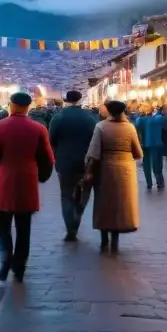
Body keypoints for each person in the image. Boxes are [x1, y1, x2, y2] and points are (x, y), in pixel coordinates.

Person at [0, 91, 55, 281]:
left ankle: (6, 257)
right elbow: (48, 158)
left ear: (11, 105)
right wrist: (43, 177)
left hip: (4, 180)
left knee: (2, 224)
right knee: (24, 227)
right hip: (27, 180)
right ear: (28, 107)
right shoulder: (39, 129)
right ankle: (20, 267)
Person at [85, 100, 143, 252]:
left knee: (105, 203)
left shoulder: (101, 126)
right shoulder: (130, 127)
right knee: (120, 204)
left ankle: (104, 239)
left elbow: (94, 152)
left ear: (109, 111)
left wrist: (89, 170)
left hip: (105, 168)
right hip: (126, 171)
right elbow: (138, 153)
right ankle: (115, 240)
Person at [48, 89, 98, 242]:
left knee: (66, 195)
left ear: (66, 100)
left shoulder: (58, 117)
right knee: (84, 193)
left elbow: (51, 139)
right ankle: (77, 217)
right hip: (86, 162)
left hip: (65, 161)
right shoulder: (90, 118)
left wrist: (57, 153)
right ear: (80, 99)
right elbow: (95, 140)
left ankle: (71, 227)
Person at [141, 103, 167, 190]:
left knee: (150, 163)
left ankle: (152, 182)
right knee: (158, 163)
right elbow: (166, 120)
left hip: (147, 144)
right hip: (158, 143)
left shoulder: (142, 120)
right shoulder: (159, 118)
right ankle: (160, 181)